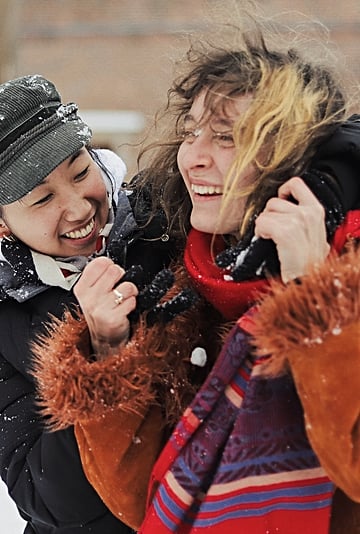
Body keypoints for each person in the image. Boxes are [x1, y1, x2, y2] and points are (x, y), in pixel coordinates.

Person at [32, 15, 360, 534]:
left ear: (291, 152)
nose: (193, 158)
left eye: (226, 138)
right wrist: (110, 349)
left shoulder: (347, 276)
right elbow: (139, 498)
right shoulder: (190, 284)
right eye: (190, 133)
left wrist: (315, 301)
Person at [0, 73, 186, 534]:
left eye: (81, 172)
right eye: (42, 199)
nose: (80, 208)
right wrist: (100, 355)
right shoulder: (6, 320)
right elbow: (54, 500)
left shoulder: (166, 219)